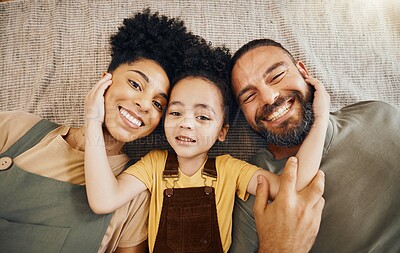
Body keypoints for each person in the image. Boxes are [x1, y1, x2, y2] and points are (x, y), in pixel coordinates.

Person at [83, 37, 329, 253]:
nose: (186, 124)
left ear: (222, 131)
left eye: (203, 117)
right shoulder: (153, 165)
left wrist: (321, 121)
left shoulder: (230, 170)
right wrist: (93, 120)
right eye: (176, 113)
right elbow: (103, 200)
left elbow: (294, 184)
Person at [0, 9, 200, 252]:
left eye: (159, 104)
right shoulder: (16, 128)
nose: (145, 105)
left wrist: (94, 121)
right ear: (105, 80)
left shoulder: (134, 194)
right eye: (135, 84)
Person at [229, 38, 400, 253]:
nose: (269, 97)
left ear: (303, 71)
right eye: (249, 96)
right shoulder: (254, 184)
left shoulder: (377, 114)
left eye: (277, 76)